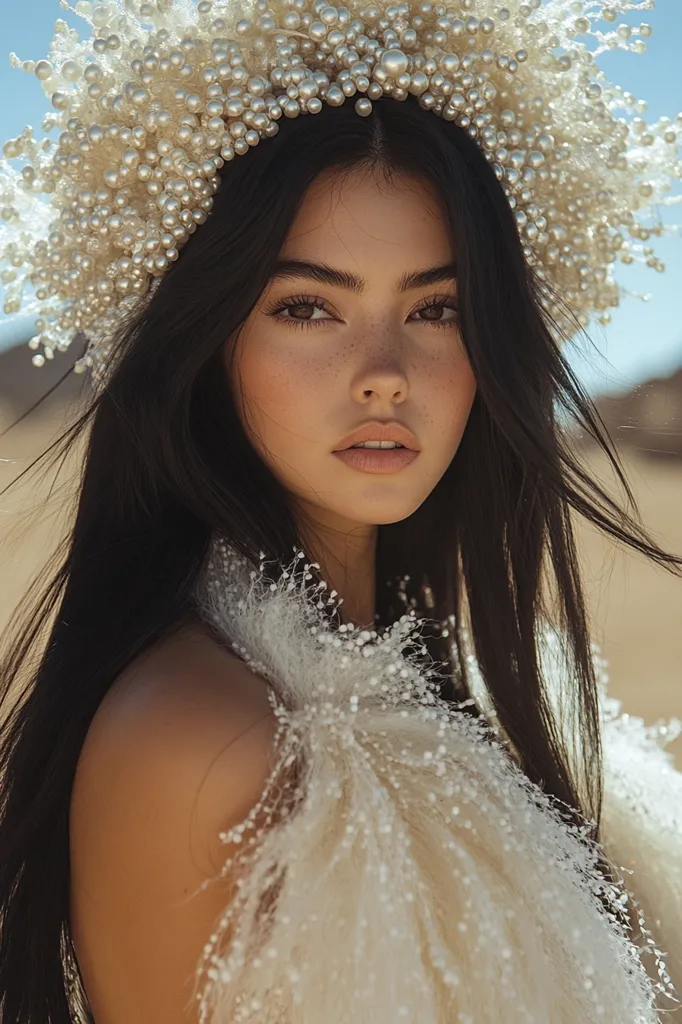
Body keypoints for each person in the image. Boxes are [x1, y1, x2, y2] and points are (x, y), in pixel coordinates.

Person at [0, 0, 681, 1021]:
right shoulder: (194, 737)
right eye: (307, 307)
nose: (382, 376)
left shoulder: (477, 692)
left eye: (434, 309)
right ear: (210, 342)